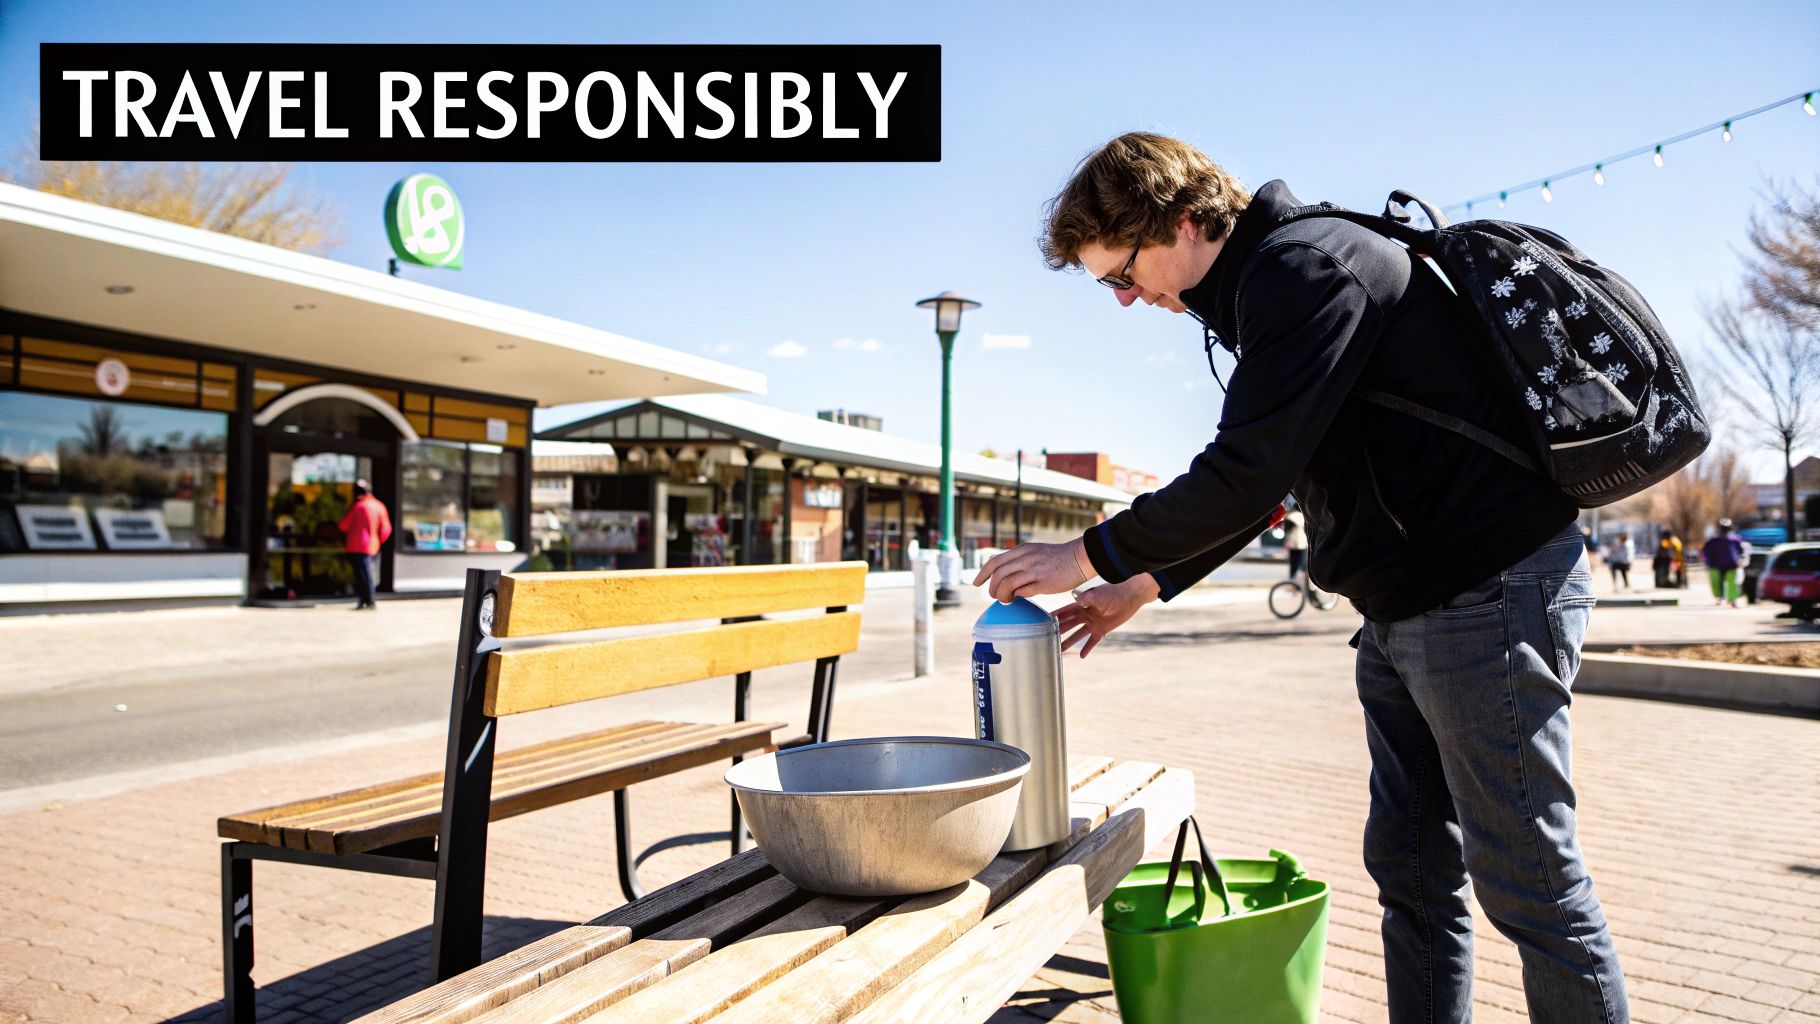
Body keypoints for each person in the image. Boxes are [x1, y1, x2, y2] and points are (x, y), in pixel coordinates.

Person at [974, 132, 1628, 1022]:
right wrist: (1145, 584)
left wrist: (1089, 554)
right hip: (1407, 607)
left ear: (1182, 221)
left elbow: (1245, 468)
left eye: (1121, 274)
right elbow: (1278, 473)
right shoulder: (1261, 288)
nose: (1126, 301)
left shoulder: (1309, 269)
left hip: (1488, 589)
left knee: (1530, 885)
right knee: (1411, 871)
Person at [338, 479, 392, 610]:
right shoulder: (379, 506)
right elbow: (386, 529)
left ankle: (368, 599)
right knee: (369, 573)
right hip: (373, 546)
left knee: (362, 575)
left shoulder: (358, 506)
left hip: (357, 546)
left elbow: (343, 526)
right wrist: (377, 541)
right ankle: (366, 599)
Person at [1702, 518, 1746, 608]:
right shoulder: (1714, 540)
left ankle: (1732, 600)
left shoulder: (1734, 539)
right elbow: (1706, 551)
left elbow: (1741, 551)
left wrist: (1741, 559)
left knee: (1732, 582)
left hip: (1731, 564)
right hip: (1717, 564)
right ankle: (1720, 598)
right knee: (1717, 582)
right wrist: (1707, 561)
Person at [1281, 504, 1307, 581]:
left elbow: (1287, 531)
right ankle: (1299, 578)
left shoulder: (1291, 517)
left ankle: (1293, 577)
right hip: (1302, 542)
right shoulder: (1303, 516)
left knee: (1294, 562)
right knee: (1301, 561)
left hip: (1293, 542)